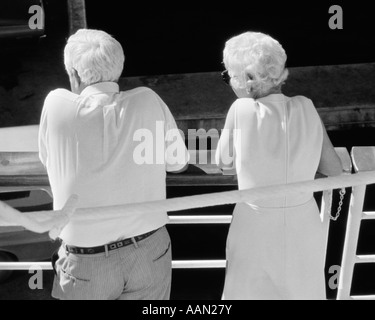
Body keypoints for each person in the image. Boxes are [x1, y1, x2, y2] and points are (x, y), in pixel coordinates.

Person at [38, 29, 189, 300]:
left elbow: (46, 158)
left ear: (74, 74)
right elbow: (177, 163)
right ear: (118, 68)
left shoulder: (56, 104)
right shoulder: (147, 100)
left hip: (87, 261)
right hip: (148, 251)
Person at [216, 31, 343, 300]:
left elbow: (223, 163)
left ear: (248, 80)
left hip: (255, 224)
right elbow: (333, 168)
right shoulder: (306, 106)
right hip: (303, 222)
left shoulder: (241, 110)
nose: (228, 82)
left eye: (228, 76)